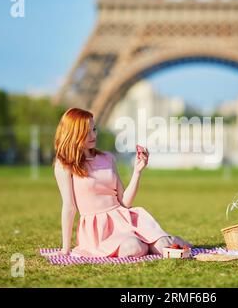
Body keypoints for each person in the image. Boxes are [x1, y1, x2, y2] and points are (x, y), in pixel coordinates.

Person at [45, 107, 192, 258]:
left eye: (94, 129)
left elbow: (125, 203)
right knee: (134, 247)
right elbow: (69, 207)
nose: (93, 135)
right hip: (99, 231)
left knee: (164, 246)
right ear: (73, 133)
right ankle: (150, 243)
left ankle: (168, 241)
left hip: (125, 218)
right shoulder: (64, 165)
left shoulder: (108, 158)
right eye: (86, 132)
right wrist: (66, 248)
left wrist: (137, 171)